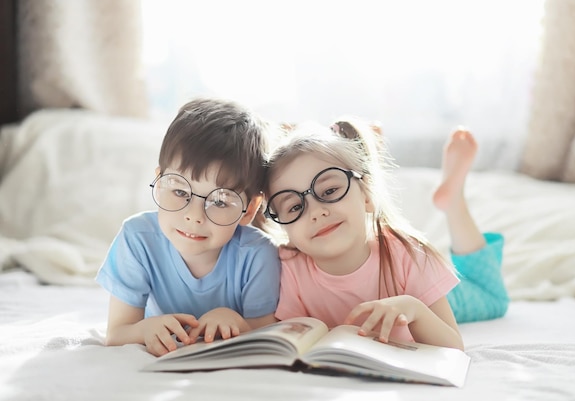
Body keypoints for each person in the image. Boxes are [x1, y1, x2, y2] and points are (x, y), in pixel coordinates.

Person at [264, 120, 508, 350]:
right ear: (284, 228)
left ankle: (454, 201)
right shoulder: (288, 267)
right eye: (295, 207)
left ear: (368, 196)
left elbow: (454, 347)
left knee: (491, 298)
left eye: (329, 190)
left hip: (424, 288)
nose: (316, 212)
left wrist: (415, 309)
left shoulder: (410, 254)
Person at [96, 98, 281, 357]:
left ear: (249, 209)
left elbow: (268, 334)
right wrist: (145, 329)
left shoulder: (257, 254)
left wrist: (238, 323)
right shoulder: (137, 239)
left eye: (220, 201)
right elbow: (116, 334)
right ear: (159, 182)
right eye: (180, 190)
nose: (194, 216)